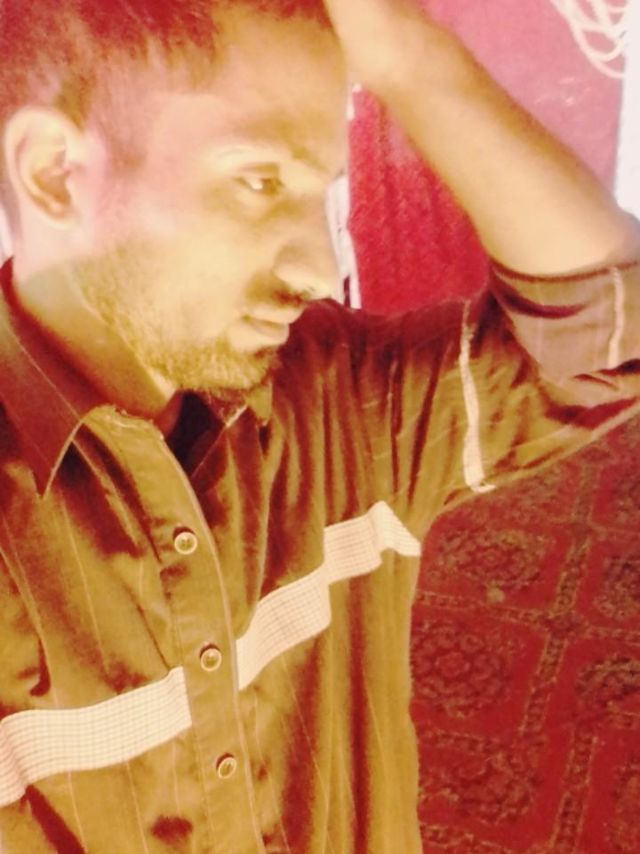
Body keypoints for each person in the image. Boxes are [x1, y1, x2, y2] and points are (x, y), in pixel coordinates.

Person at [0, 0, 638, 851]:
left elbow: (605, 341)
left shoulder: (337, 398)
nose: (321, 267)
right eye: (261, 181)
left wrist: (406, 53)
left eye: (322, 194)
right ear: (54, 173)